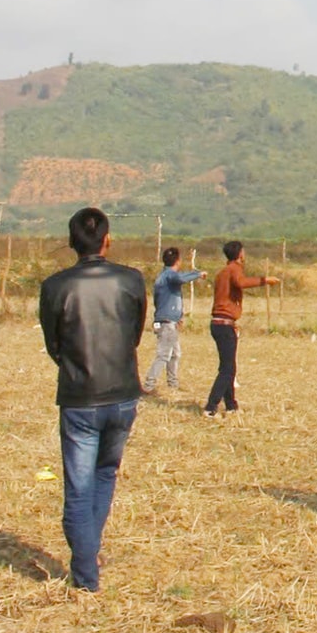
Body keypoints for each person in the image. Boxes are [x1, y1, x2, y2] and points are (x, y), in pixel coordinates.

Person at [38, 207, 146, 593]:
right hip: (122, 394)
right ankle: (89, 554)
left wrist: (73, 366)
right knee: (105, 474)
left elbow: (53, 344)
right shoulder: (131, 280)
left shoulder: (55, 286)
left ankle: (86, 573)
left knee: (79, 487)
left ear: (71, 242)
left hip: (79, 396)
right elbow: (133, 334)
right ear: (107, 238)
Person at [204, 241, 279, 417]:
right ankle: (210, 406)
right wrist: (264, 280)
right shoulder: (234, 269)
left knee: (228, 366)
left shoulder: (222, 272)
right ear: (239, 254)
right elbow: (241, 282)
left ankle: (231, 405)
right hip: (224, 324)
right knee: (227, 369)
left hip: (219, 323)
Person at [144, 247, 205, 394]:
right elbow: (181, 279)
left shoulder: (162, 277)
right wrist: (198, 274)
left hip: (166, 320)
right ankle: (148, 386)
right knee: (164, 354)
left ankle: (173, 384)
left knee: (175, 353)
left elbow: (161, 301)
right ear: (178, 261)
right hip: (166, 322)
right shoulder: (170, 276)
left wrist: (178, 316)